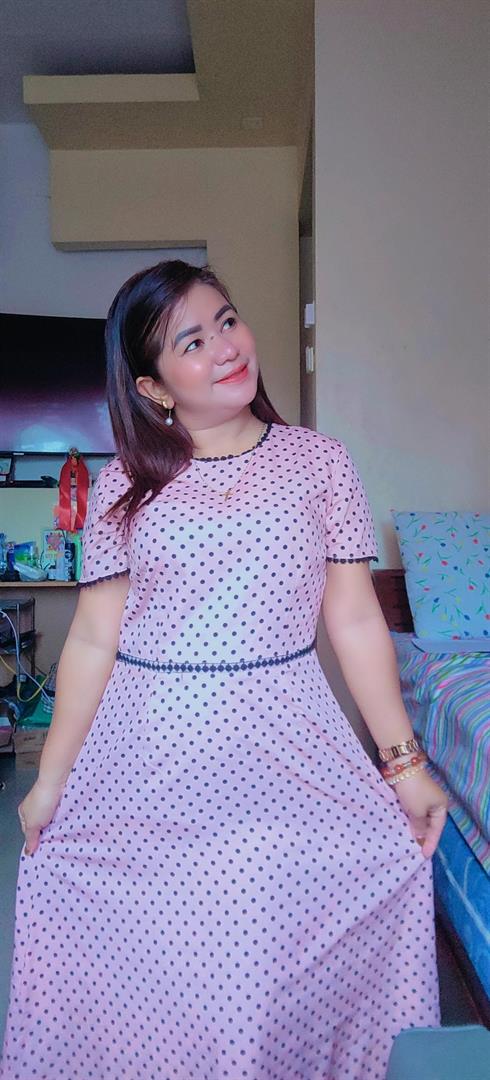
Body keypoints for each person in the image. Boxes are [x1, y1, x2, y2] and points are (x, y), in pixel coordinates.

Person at [1, 260, 448, 1080]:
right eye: (193, 342)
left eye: (228, 321)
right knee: (159, 942)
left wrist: (405, 765)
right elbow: (94, 638)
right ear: (154, 387)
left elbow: (354, 620)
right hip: (150, 743)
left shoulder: (320, 461)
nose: (227, 348)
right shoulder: (124, 481)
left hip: (286, 733)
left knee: (293, 916)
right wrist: (51, 780)